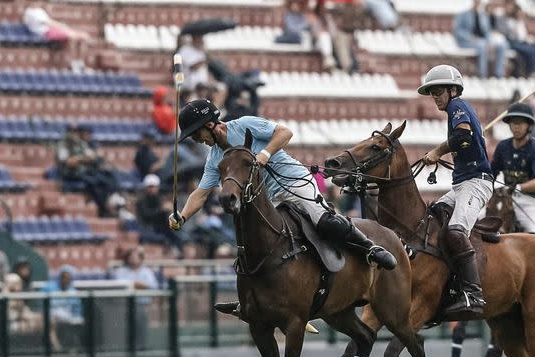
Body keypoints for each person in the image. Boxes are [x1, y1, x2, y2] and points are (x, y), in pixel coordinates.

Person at [168, 99, 397, 313]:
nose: (197, 140)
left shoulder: (245, 125)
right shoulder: (215, 157)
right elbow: (201, 193)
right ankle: (254, 297)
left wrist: (266, 153)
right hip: (269, 199)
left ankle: (370, 248)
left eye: (197, 134)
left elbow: (284, 132)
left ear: (210, 125)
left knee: (323, 220)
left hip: (295, 182)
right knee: (252, 240)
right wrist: (182, 216)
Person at [418, 65, 494, 318]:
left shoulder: (457, 106)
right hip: (461, 183)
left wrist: (437, 152)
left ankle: (473, 293)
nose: (435, 97)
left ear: (452, 90)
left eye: (438, 91)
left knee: (455, 230)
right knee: (435, 214)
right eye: (432, 93)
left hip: (477, 182)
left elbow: (463, 137)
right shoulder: (456, 109)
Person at [490, 103, 535, 234]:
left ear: (529, 125)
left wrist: (519, 187)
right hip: (506, 199)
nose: (516, 127)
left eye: (520, 123)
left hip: (528, 201)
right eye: (513, 123)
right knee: (478, 221)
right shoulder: (503, 147)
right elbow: (491, 173)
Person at [55, 124, 120, 217]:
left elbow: (92, 157)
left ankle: (112, 201)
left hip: (82, 171)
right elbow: (69, 162)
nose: (73, 134)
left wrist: (79, 159)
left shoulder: (80, 144)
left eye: (75, 132)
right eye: (71, 132)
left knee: (104, 180)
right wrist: (82, 159)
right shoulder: (62, 145)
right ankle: (104, 209)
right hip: (70, 173)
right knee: (93, 182)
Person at [4, 273, 62, 351]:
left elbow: (26, 313)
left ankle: (53, 349)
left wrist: (37, 317)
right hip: (11, 326)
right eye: (16, 283)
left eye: (19, 283)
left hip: (23, 322)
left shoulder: (17, 296)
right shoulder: (5, 297)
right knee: (45, 324)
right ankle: (55, 349)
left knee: (48, 321)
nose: (19, 286)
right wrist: (32, 317)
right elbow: (15, 316)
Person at [453, 0, 508, 79]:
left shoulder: (482, 16)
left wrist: (489, 42)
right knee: (482, 45)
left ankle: (499, 74)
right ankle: (482, 73)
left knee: (501, 46)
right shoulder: (463, 14)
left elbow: (486, 31)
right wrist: (470, 37)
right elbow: (457, 31)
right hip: (466, 41)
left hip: (481, 41)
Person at [136, 174, 185, 258]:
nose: (152, 189)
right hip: (148, 227)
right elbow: (146, 215)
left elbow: (163, 215)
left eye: (154, 186)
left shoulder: (160, 198)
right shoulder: (141, 201)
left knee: (177, 231)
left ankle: (179, 253)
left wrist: (170, 210)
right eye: (150, 187)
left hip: (161, 226)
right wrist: (161, 210)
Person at [496, 1, 535, 77]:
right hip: (511, 42)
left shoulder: (516, 19)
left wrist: (528, 39)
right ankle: (532, 71)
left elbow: (522, 34)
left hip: (521, 41)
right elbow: (504, 32)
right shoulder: (502, 18)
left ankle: (534, 68)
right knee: (529, 51)